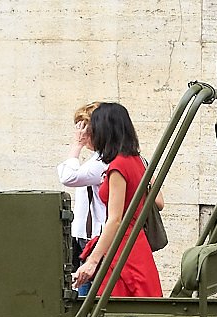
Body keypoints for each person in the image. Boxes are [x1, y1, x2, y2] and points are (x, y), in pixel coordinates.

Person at [73, 102, 164, 297]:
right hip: (136, 243)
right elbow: (158, 202)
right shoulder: (137, 160)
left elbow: (115, 219)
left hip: (121, 246)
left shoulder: (118, 166)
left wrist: (92, 261)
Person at [56, 103, 107, 289]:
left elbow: (68, 176)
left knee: (86, 291)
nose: (82, 134)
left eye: (85, 129)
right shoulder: (99, 159)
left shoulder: (102, 162)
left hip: (94, 237)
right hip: (88, 235)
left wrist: (76, 145)